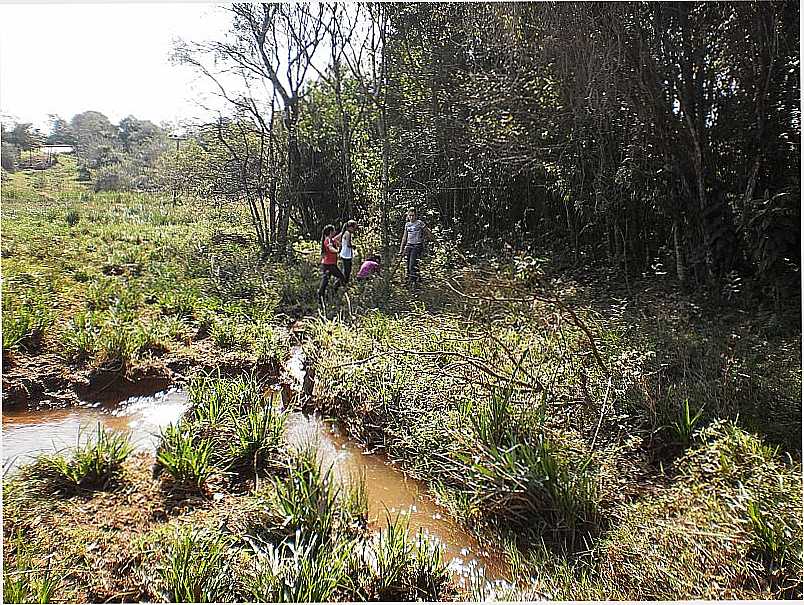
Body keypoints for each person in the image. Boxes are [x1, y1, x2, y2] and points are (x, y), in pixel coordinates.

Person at [398, 207, 432, 285]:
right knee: (408, 264)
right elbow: (404, 237)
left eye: (413, 215)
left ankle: (414, 282)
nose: (411, 217)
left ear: (416, 216)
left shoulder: (419, 223)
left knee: (412, 264)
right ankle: (415, 279)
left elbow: (427, 232)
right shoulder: (407, 224)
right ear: (407, 216)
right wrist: (401, 249)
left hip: (417, 245)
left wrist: (433, 241)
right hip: (409, 245)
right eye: (410, 215)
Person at [318, 224, 346, 306]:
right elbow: (330, 248)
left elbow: (338, 237)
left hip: (329, 264)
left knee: (325, 281)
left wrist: (344, 231)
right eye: (333, 230)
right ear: (331, 232)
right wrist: (338, 251)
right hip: (329, 265)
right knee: (341, 278)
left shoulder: (331, 239)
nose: (335, 232)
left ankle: (324, 296)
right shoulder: (328, 240)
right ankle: (331, 293)